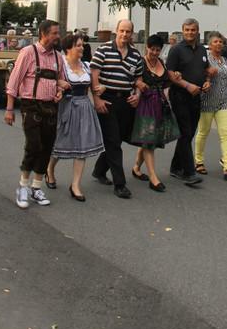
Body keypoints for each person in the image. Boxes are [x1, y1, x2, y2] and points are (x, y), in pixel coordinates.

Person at [4, 19, 67, 209]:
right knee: (34, 145)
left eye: (58, 33)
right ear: (43, 33)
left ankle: (36, 187)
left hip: (50, 107)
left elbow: (60, 80)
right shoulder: (28, 53)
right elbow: (14, 82)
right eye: (54, 33)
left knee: (47, 147)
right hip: (31, 105)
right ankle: (23, 186)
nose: (57, 36)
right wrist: (9, 109)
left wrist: (60, 92)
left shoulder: (58, 57)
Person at [45, 33, 104, 201]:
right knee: (60, 142)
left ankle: (75, 185)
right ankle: (49, 169)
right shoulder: (61, 65)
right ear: (68, 48)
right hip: (67, 107)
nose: (81, 48)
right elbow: (48, 81)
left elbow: (96, 85)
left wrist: (102, 88)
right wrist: (59, 83)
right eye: (78, 45)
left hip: (84, 107)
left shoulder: (86, 65)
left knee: (82, 146)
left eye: (82, 45)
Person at [90, 19, 143, 199]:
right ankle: (120, 184)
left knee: (118, 139)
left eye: (128, 31)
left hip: (125, 101)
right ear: (116, 30)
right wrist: (97, 99)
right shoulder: (104, 49)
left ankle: (99, 170)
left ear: (132, 33)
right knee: (113, 141)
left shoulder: (135, 54)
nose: (124, 34)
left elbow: (139, 78)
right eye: (122, 31)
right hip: (107, 100)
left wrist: (137, 95)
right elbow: (94, 75)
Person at [130, 34, 181, 192]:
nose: (155, 52)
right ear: (147, 47)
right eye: (152, 49)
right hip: (146, 104)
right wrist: (138, 84)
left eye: (158, 50)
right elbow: (130, 78)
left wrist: (176, 76)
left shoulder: (161, 63)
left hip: (159, 103)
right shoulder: (140, 62)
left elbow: (165, 82)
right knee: (149, 140)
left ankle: (136, 167)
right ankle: (153, 177)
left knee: (149, 139)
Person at [166, 18, 212, 186]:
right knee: (185, 132)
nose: (190, 33)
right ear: (182, 31)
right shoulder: (176, 50)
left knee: (190, 133)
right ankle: (188, 172)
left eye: (193, 30)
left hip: (196, 96)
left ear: (197, 31)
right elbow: (170, 74)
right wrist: (187, 85)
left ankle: (175, 167)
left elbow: (205, 70)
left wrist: (207, 81)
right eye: (187, 30)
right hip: (180, 96)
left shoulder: (201, 49)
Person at [194, 31, 227, 180]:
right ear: (209, 45)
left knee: (225, 134)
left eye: (220, 42)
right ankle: (199, 162)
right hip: (207, 101)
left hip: (223, 101)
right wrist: (206, 71)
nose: (218, 44)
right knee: (203, 132)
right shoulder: (205, 60)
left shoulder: (225, 60)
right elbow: (197, 74)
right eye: (215, 42)